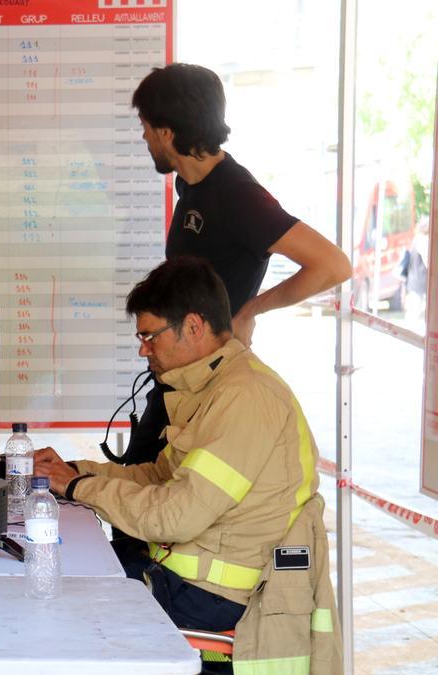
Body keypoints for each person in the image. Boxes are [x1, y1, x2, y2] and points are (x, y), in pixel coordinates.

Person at [33, 257, 340, 673]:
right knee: (63, 580)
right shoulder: (215, 388)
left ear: (194, 327)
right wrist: (72, 470)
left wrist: (74, 487)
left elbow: (174, 516)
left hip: (216, 599)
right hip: (185, 579)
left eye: (149, 335)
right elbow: (158, 478)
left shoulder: (246, 397)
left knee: (60, 613)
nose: (143, 349)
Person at [121, 63, 351, 467]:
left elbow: (332, 265)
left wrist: (250, 310)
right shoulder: (190, 184)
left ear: (166, 132)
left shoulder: (237, 195)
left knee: (149, 499)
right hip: (179, 372)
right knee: (139, 485)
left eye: (145, 125)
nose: (143, 136)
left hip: (211, 383)